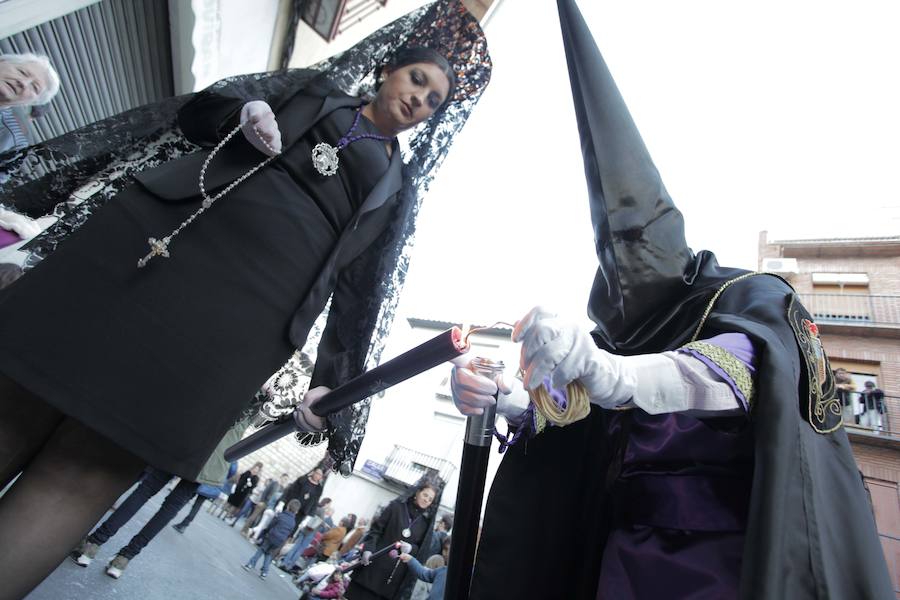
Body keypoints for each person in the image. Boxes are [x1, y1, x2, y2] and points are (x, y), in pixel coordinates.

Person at [448, 2, 893, 598]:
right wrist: (505, 398)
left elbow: (741, 371)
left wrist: (612, 373)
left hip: (721, 565)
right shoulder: (618, 338)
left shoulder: (745, 296)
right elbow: (578, 426)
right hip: (620, 560)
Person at [0, 44, 457, 598]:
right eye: (416, 79)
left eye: (434, 100)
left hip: (242, 323)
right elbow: (199, 112)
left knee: (91, 464)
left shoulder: (396, 188)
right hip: (156, 242)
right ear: (386, 70)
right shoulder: (311, 89)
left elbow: (361, 288)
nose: (419, 99)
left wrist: (329, 384)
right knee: (18, 394)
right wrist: (241, 114)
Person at [346, 482, 439, 600]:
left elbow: (421, 549)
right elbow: (376, 531)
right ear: (417, 493)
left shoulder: (424, 524)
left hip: (392, 579)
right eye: (425, 495)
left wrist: (411, 548)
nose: (426, 500)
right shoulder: (396, 507)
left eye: (430, 499)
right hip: (372, 567)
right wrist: (368, 549)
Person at [0, 53, 60, 156]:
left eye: (34, 87)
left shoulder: (12, 141)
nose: (23, 83)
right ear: (2, 62)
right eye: (22, 72)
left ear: (31, 102)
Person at [243, 498, 302, 580]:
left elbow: (271, 525)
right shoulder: (293, 522)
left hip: (271, 536)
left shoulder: (281, 516)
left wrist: (265, 533)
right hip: (279, 541)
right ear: (296, 511)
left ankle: (250, 564)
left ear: (288, 506)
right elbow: (289, 533)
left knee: (261, 550)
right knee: (268, 554)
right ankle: (264, 572)